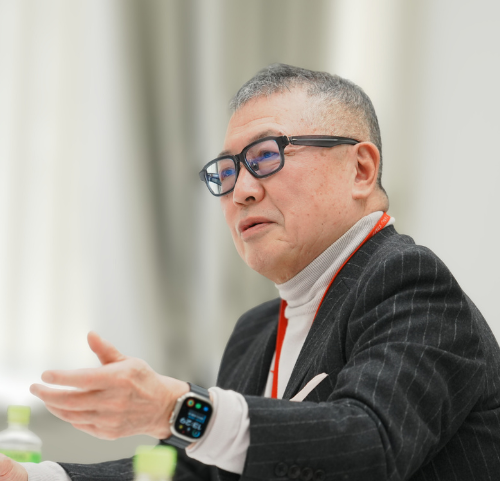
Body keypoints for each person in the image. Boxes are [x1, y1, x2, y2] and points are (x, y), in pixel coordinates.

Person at [1, 63, 500, 481]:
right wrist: (34, 478)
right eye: (227, 171)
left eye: (265, 156)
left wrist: (178, 408)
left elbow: (367, 444)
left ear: (361, 169)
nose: (241, 191)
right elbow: (198, 470)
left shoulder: (409, 283)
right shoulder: (254, 331)